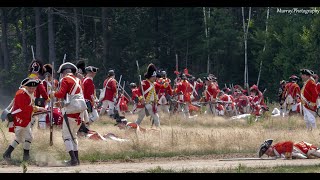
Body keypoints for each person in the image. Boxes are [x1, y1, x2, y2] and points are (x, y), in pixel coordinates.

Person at [2, 78, 46, 162]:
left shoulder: (31, 93)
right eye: (30, 88)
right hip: (19, 118)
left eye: (34, 88)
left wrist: (37, 109)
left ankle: (7, 154)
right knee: (28, 137)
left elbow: (29, 106)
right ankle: (26, 157)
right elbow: (24, 107)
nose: (32, 90)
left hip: (25, 118)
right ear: (26, 87)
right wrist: (38, 108)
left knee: (19, 138)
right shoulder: (20, 94)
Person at [51, 62, 85, 166]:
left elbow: (61, 94)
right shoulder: (78, 80)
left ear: (63, 73)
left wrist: (53, 93)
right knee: (73, 135)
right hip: (81, 111)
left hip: (71, 111)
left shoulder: (65, 79)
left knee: (66, 136)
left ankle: (73, 159)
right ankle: (76, 159)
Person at [135, 63, 161, 129]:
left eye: (155, 77)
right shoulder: (144, 83)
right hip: (145, 103)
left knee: (156, 117)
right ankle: (132, 128)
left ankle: (158, 129)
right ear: (150, 76)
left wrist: (165, 85)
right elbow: (138, 91)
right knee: (140, 119)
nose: (155, 78)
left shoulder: (154, 83)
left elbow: (161, 86)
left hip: (151, 104)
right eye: (153, 77)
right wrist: (141, 99)